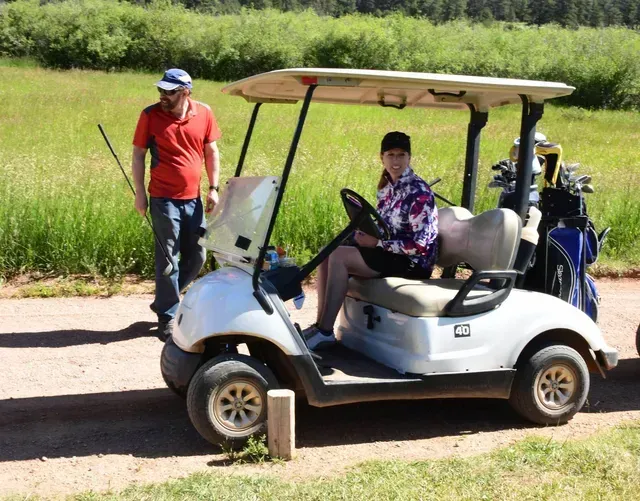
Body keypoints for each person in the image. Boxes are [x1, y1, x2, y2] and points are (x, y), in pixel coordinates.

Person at [304, 131, 438, 350]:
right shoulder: (386, 189)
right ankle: (320, 325)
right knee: (327, 252)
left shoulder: (419, 193)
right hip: (390, 254)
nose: (396, 161)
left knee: (340, 257)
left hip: (413, 262)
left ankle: (325, 330)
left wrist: (376, 244)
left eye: (401, 155)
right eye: (391, 155)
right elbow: (383, 227)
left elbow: (420, 245)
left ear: (409, 158)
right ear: (381, 157)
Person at [132, 68, 222, 340]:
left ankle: (164, 300)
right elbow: (138, 155)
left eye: (169, 91)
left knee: (198, 256)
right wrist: (140, 193)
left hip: (193, 199)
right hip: (162, 199)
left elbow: (211, 150)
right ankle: (168, 315)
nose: (163, 96)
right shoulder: (150, 115)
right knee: (168, 261)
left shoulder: (204, 112)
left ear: (185, 92)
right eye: (160, 90)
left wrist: (214, 188)